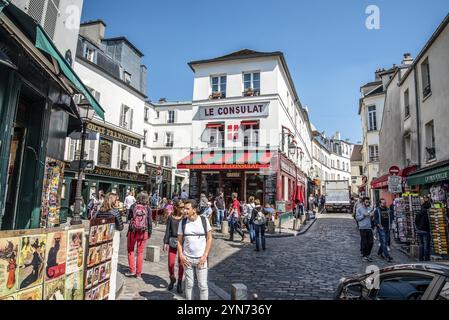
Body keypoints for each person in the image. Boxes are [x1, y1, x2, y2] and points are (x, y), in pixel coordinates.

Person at [177, 200, 212, 300]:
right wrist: (181, 255)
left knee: (203, 286)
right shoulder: (183, 222)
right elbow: (179, 241)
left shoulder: (204, 221)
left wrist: (205, 255)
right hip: (187, 259)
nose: (185, 211)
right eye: (184, 208)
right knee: (189, 284)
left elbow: (209, 238)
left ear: (194, 210)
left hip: (201, 259)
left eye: (188, 209)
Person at [126, 192, 152, 279]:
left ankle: (131, 270)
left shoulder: (133, 206)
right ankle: (138, 274)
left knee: (130, 250)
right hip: (143, 232)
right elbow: (149, 222)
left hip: (132, 231)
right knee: (140, 253)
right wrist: (149, 233)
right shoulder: (148, 208)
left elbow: (129, 217)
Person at [163, 200, 185, 294]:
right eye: (181, 207)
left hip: (182, 243)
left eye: (183, 207)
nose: (183, 209)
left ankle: (180, 282)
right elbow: (167, 230)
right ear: (176, 207)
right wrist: (165, 242)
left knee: (181, 263)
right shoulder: (171, 217)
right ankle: (172, 278)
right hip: (172, 241)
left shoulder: (184, 218)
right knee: (170, 263)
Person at [356, 197, 374, 262]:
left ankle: (367, 254)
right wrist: (363, 215)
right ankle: (364, 255)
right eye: (366, 202)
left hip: (369, 227)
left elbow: (371, 218)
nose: (368, 203)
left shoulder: (370, 208)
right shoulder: (359, 209)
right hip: (362, 227)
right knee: (365, 242)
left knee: (371, 242)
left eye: (368, 202)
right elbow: (357, 218)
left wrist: (372, 216)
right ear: (363, 202)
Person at [415, 196, 432, 262]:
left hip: (419, 230)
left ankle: (420, 258)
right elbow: (428, 223)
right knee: (426, 245)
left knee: (421, 245)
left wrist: (418, 227)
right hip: (425, 230)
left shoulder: (419, 213)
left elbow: (416, 221)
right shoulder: (427, 214)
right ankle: (426, 259)